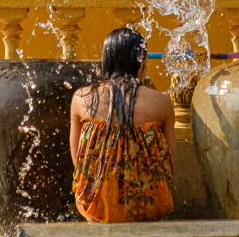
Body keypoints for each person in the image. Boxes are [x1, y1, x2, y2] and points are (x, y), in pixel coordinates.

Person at [70, 28, 177, 222]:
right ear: (141, 61)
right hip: (149, 207)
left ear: (106, 60)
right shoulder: (162, 103)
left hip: (96, 208)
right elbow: (170, 162)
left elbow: (79, 162)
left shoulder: (81, 98)